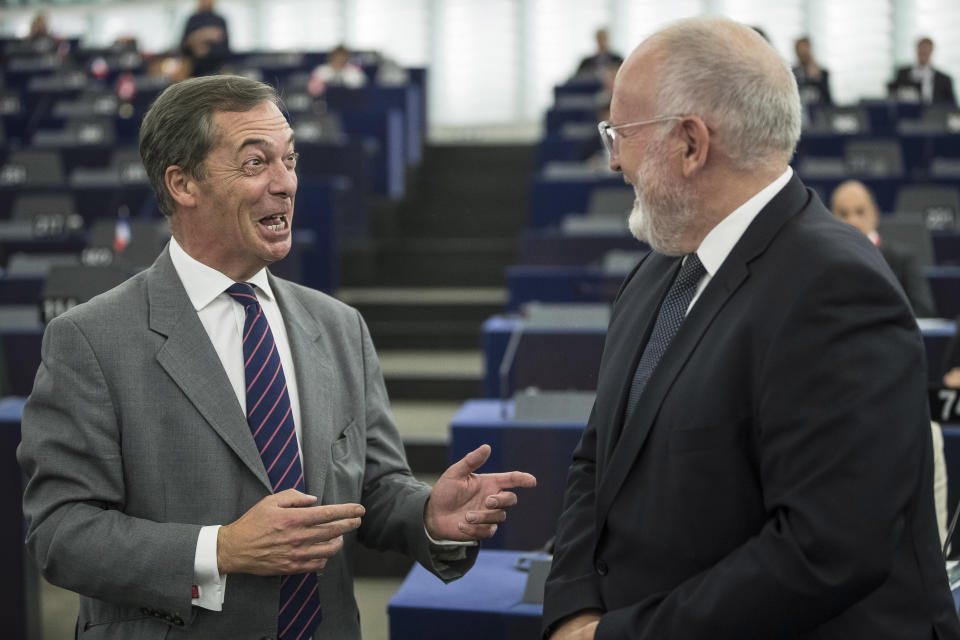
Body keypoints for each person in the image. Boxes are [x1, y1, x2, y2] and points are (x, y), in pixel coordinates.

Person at [18, 75, 536, 639]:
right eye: (254, 163)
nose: (285, 183)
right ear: (183, 183)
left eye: (289, 159)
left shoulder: (339, 327)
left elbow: (375, 488)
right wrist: (219, 549)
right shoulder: (89, 339)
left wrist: (429, 516)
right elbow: (61, 532)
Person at [543, 17, 960, 640]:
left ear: (690, 143)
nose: (613, 160)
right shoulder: (659, 272)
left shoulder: (837, 289)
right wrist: (574, 610)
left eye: (621, 133)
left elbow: (824, 551)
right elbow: (596, 461)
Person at [830, 179, 936, 317]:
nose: (852, 220)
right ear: (831, 218)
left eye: (860, 212)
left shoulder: (903, 260)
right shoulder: (824, 260)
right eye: (843, 214)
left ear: (874, 214)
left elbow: (923, 310)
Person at [890, 37, 956, 106]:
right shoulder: (902, 73)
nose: (923, 55)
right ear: (916, 50)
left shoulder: (944, 79)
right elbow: (893, 97)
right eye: (921, 52)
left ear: (931, 52)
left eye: (925, 52)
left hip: (934, 114)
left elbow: (951, 106)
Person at [181, 0, 230, 77]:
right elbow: (183, 45)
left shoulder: (220, 20)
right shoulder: (192, 20)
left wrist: (209, 49)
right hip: (195, 69)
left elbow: (226, 48)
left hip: (217, 69)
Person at [792, 36, 832, 105]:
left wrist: (817, 78)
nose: (803, 55)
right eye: (800, 52)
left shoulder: (822, 73)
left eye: (805, 52)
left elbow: (828, 100)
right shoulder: (793, 74)